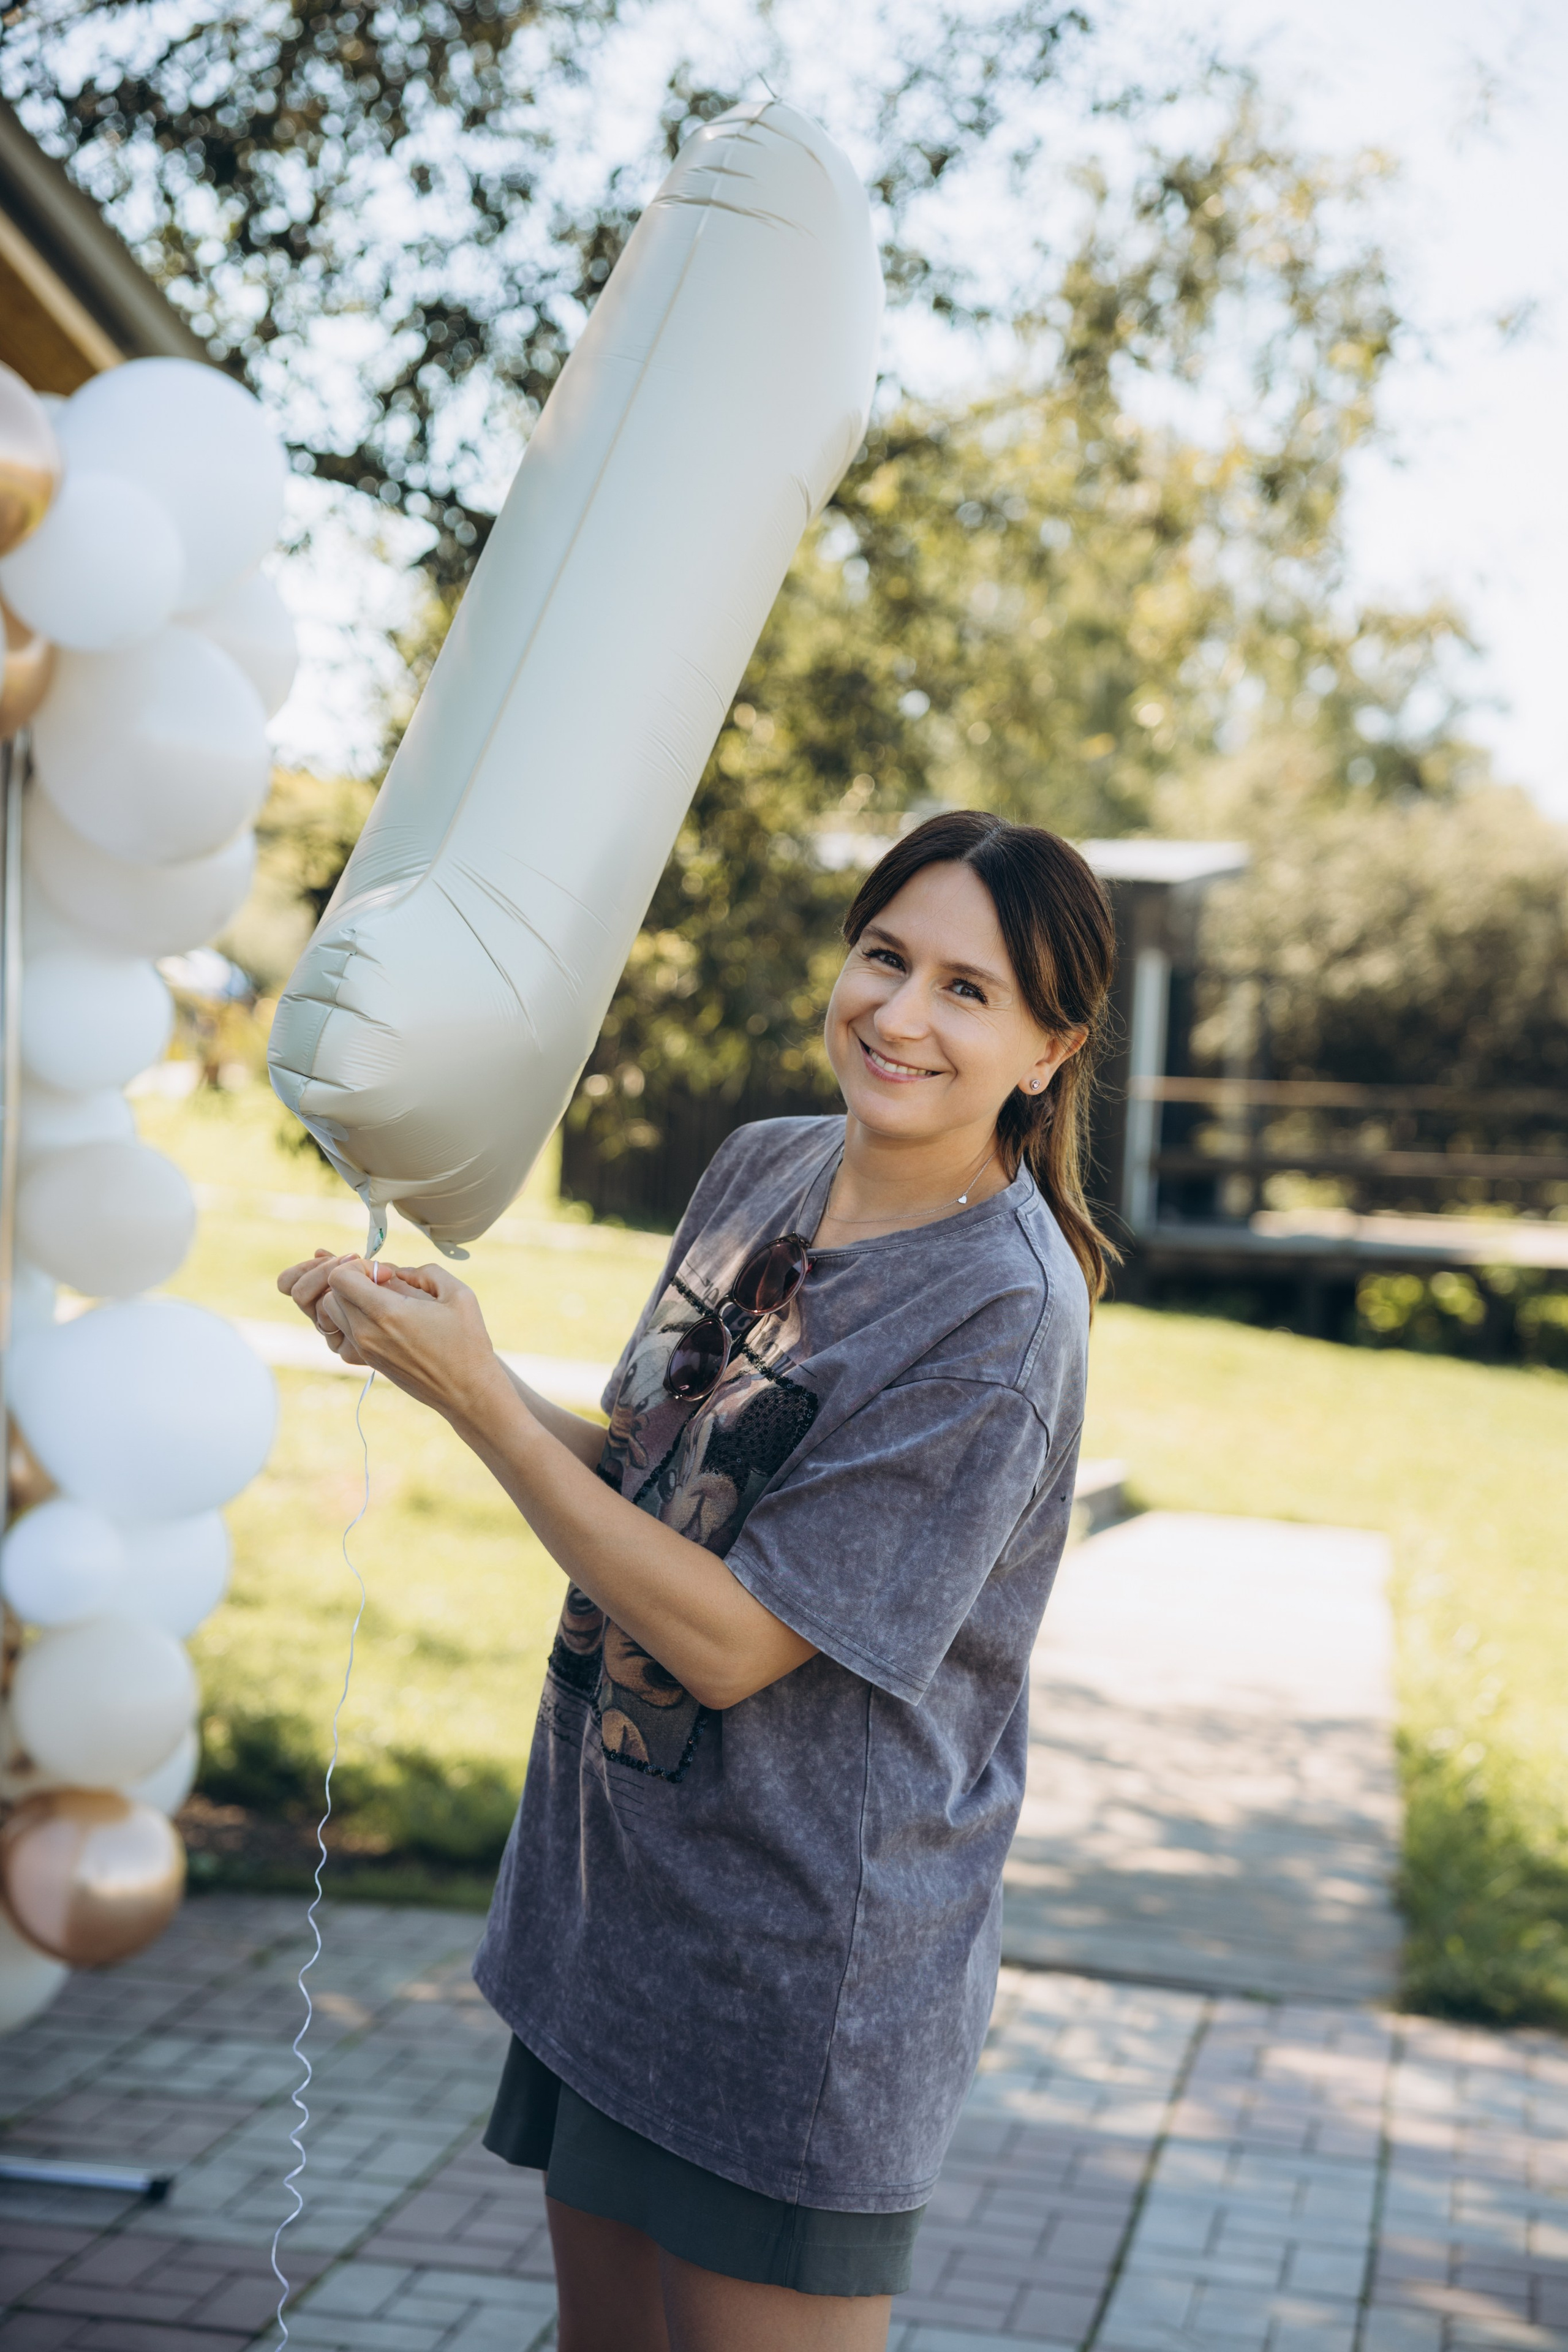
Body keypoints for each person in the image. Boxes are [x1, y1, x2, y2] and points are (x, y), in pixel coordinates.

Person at [277, 808, 1117, 2352]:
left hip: (788, 1978)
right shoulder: (764, 1167)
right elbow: (651, 1483)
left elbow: (732, 1642)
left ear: (1049, 1050)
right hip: (613, 1908)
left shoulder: (1000, 1318)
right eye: (883, 956)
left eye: (966, 990)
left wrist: (475, 1403)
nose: (899, 1014)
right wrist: (438, 1365)